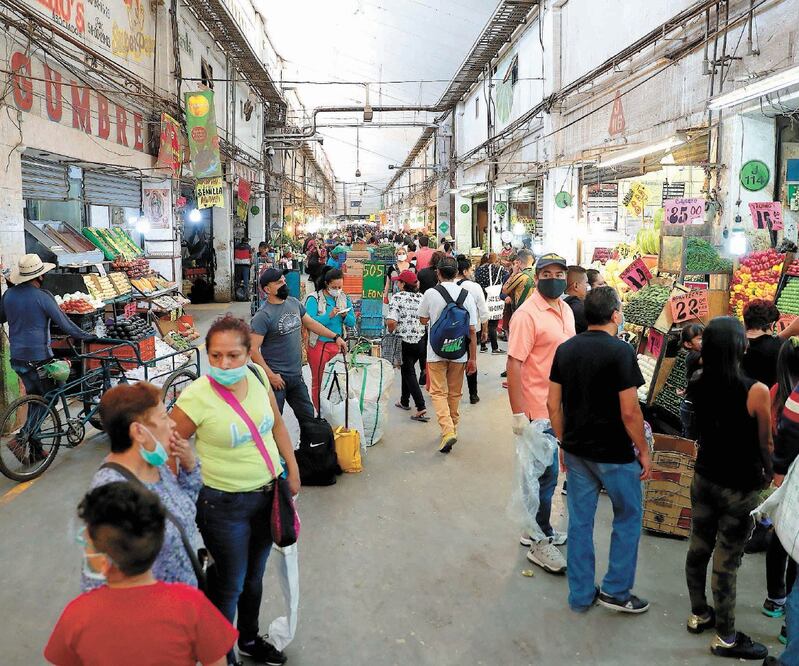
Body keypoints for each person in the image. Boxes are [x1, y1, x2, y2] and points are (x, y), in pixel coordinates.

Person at [171, 315, 299, 666]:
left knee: (254, 578)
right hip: (222, 505)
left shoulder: (257, 378)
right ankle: (218, 654)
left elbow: (277, 427)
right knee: (229, 584)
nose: (223, 364)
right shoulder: (197, 395)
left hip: (267, 495)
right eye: (215, 356)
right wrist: (182, 488)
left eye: (232, 356)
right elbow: (169, 445)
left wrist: (293, 469)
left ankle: (247, 639)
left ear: (248, 355)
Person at [45, 482, 237, 666]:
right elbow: (216, 661)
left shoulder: (77, 615)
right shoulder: (191, 604)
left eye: (86, 543)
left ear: (104, 561)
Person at [548, 286, 651, 613]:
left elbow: (552, 405)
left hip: (578, 452)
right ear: (615, 315)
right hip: (615, 455)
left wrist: (564, 442)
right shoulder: (621, 352)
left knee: (579, 522)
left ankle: (580, 595)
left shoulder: (565, 350)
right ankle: (616, 591)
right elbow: (630, 411)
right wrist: (643, 450)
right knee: (628, 517)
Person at [684, 316, 771, 661]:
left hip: (704, 477)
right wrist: (768, 472)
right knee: (727, 559)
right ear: (742, 346)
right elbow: (765, 442)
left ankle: (699, 613)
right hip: (739, 486)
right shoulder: (756, 391)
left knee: (699, 546)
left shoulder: (698, 381)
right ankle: (726, 636)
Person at [85, 382, 202, 591]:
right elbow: (96, 578)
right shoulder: (111, 494)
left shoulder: (156, 465)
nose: (173, 424)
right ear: (139, 432)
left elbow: (183, 509)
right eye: (164, 417)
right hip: (155, 613)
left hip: (183, 598)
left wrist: (190, 468)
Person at [507, 253, 575, 574]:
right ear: (537, 278)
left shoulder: (565, 310)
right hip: (536, 409)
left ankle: (539, 529)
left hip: (558, 406)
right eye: (546, 273)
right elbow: (514, 364)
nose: (553, 278)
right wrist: (518, 413)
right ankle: (538, 541)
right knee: (541, 479)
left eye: (558, 272)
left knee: (547, 476)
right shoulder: (526, 315)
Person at [0, 254, 95, 462]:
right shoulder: (43, 297)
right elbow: (65, 324)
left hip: (17, 358)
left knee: (36, 398)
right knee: (47, 400)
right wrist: (87, 336)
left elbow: (2, 317)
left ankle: (36, 449)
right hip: (39, 358)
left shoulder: (8, 296)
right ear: (40, 276)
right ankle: (21, 438)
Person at [250, 269, 346, 422]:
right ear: (267, 289)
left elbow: (311, 323)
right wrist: (270, 376)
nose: (284, 284)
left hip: (296, 376)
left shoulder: (293, 303)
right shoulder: (263, 315)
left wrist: (335, 337)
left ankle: (307, 445)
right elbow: (253, 350)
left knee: (308, 418)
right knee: (272, 423)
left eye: (284, 280)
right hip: (277, 379)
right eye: (279, 282)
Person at [418, 256, 478, 453]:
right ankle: (452, 427)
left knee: (437, 392)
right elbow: (471, 330)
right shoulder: (466, 295)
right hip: (459, 351)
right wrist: (473, 358)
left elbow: (423, 320)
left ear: (438, 273)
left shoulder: (430, 293)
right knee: (454, 392)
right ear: (457, 272)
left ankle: (447, 430)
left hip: (435, 351)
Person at [761, 338, 799, 642]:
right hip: (789, 477)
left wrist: (776, 472)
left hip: (780, 476)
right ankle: (790, 625)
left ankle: (775, 599)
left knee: (780, 538)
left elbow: (776, 438)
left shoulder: (777, 393)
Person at [304, 266, 356, 410]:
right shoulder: (314, 299)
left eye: (340, 286)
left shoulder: (344, 298)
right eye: (334, 286)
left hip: (338, 346)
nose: (338, 289)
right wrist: (329, 316)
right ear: (327, 284)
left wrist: (345, 316)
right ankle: (319, 411)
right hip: (319, 345)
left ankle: (333, 411)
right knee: (319, 381)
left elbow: (352, 323)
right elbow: (310, 322)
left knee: (338, 380)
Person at [386, 270, 429, 423]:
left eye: (398, 282)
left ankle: (420, 406)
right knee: (407, 368)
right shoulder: (421, 297)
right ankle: (404, 401)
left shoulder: (397, 297)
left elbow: (391, 321)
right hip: (419, 341)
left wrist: (390, 331)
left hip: (403, 341)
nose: (397, 284)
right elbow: (426, 319)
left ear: (403, 284)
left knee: (408, 372)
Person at [456, 255, 489, 404]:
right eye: (470, 270)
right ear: (464, 271)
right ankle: (473, 394)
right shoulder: (474, 287)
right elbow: (483, 311)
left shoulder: (444, 286)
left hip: (451, 331)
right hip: (471, 331)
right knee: (471, 360)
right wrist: (485, 330)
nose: (471, 272)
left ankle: (453, 394)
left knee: (452, 362)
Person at [742, 300, 782, 387]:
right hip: (766, 399)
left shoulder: (733, 344)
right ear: (772, 325)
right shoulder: (779, 347)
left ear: (745, 322)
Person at [474, 253, 509, 354]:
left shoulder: (479, 269)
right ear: (496, 259)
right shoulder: (499, 269)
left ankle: (483, 346)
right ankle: (495, 348)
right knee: (493, 325)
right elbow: (507, 278)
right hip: (494, 298)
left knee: (483, 321)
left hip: (482, 297)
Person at [502, 249, 537, 314]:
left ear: (519, 262)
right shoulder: (539, 274)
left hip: (522, 312)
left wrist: (513, 273)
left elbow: (504, 290)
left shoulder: (521, 276)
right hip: (536, 311)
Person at [563, 266, 589, 334]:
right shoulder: (579, 309)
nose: (588, 286)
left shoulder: (559, 303)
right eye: (586, 282)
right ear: (576, 285)